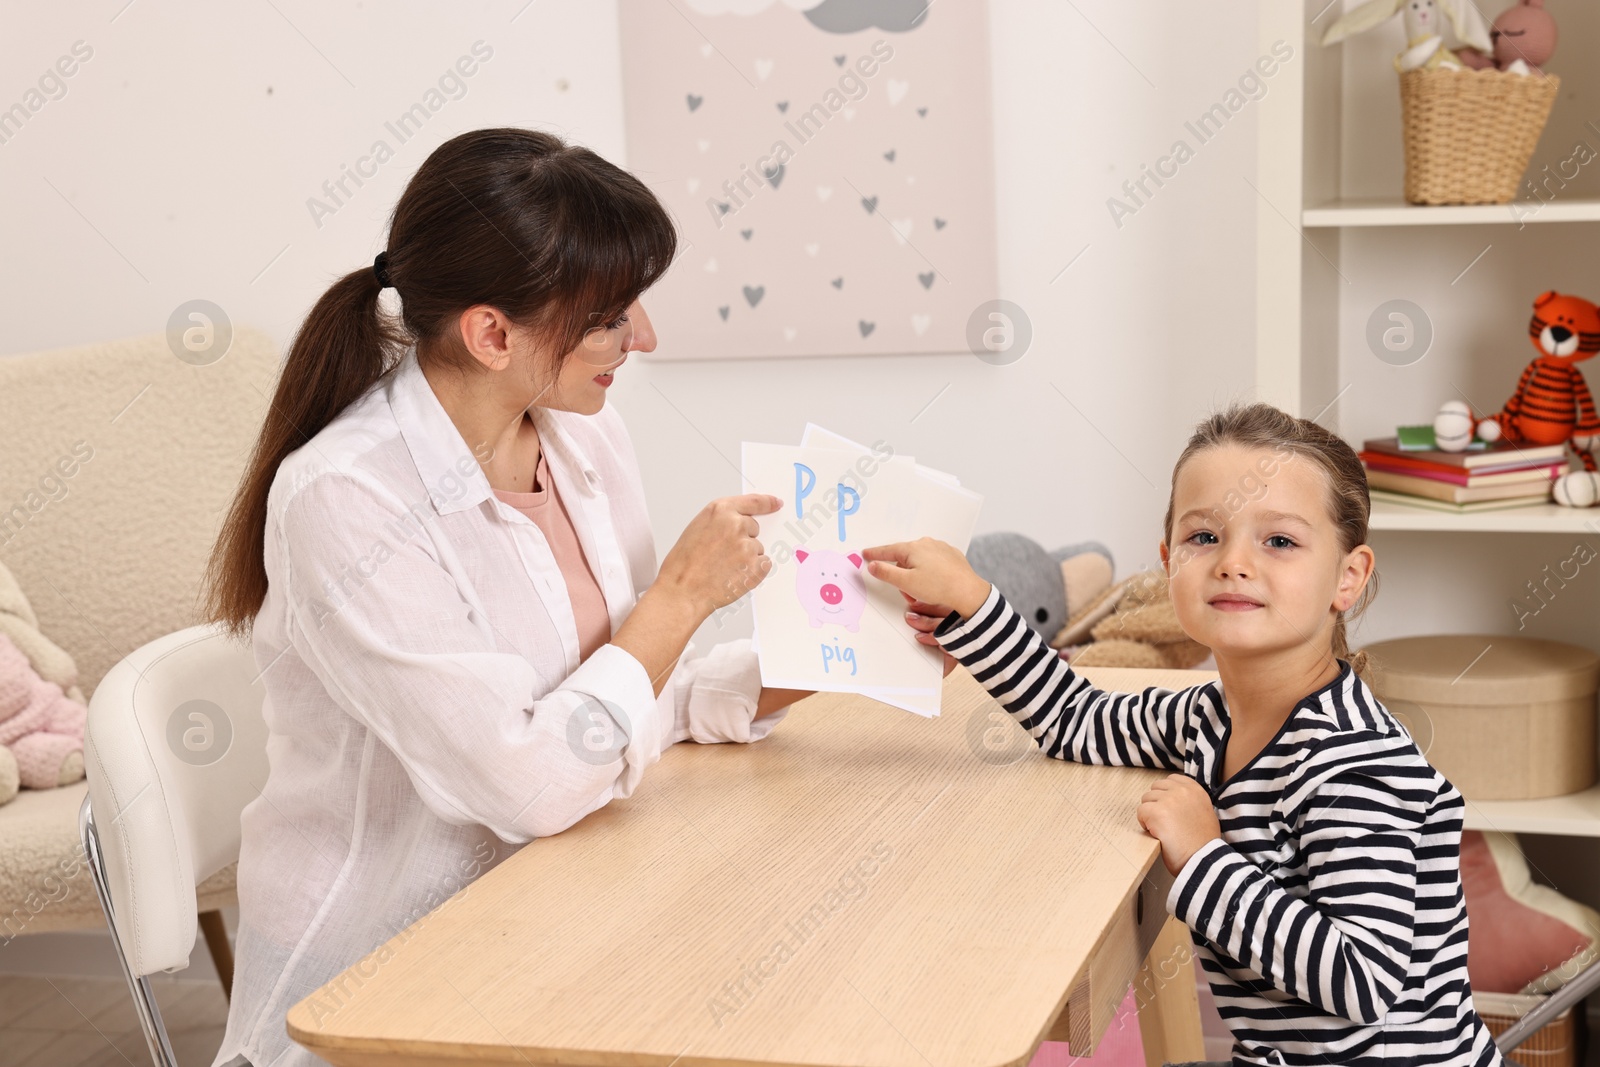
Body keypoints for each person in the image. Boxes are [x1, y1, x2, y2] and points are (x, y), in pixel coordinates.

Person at [201, 127, 807, 1067]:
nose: (642, 338)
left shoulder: (581, 438)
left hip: (567, 915)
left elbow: (620, 703)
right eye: (612, 316)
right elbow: (531, 781)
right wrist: (679, 599)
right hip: (384, 982)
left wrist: (826, 656)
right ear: (492, 334)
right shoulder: (346, 499)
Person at [864, 402, 1506, 1066]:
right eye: (1205, 537)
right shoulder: (1205, 716)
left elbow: (1364, 979)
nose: (1233, 562)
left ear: (1348, 576)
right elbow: (1073, 719)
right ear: (1169, 560)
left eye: (1279, 541)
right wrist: (972, 604)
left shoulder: (1353, 760)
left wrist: (1205, 856)